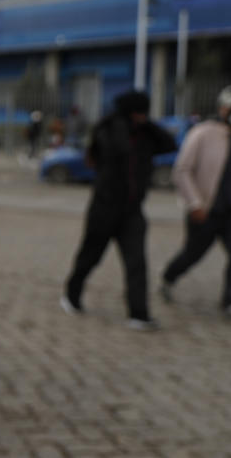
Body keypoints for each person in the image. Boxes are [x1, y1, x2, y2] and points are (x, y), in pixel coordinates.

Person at [61, 91, 177, 330]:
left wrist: (148, 127)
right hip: (104, 208)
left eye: (145, 112)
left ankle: (139, 313)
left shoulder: (146, 134)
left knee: (137, 262)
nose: (142, 117)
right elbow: (110, 151)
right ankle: (71, 296)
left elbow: (169, 144)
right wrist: (126, 127)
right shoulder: (108, 129)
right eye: (138, 112)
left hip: (132, 211)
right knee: (90, 257)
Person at [160, 84, 231, 318]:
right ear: (223, 108)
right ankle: (169, 277)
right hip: (207, 209)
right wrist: (194, 203)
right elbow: (182, 171)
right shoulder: (203, 133)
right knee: (193, 253)